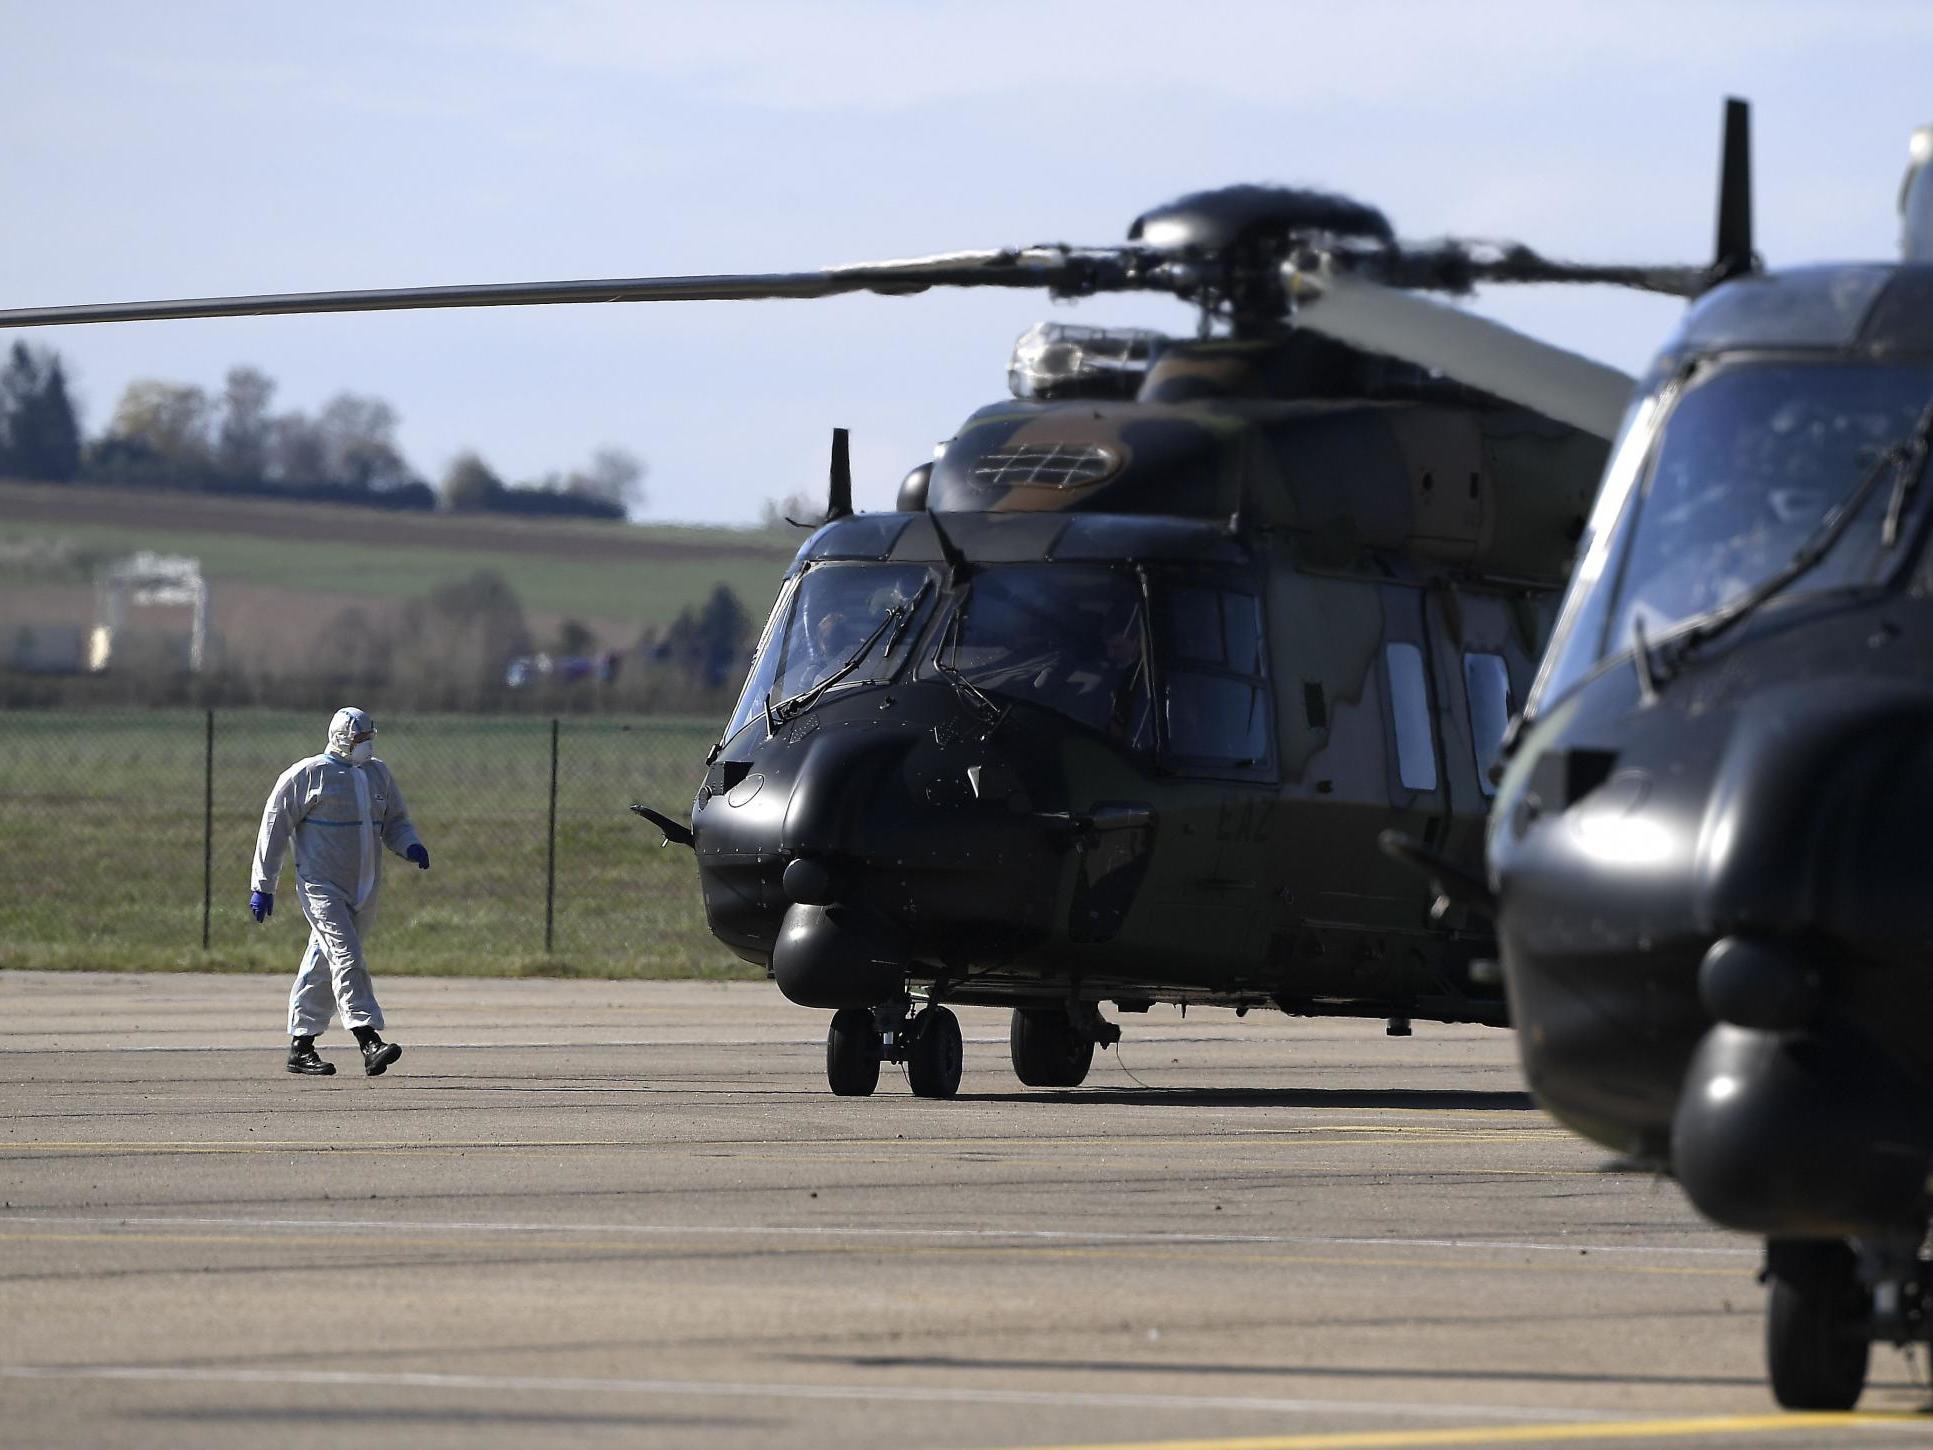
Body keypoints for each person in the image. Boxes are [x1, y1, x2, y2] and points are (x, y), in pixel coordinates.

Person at [250, 707, 430, 1077]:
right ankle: (368, 1040)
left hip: (364, 888)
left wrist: (409, 844)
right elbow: (273, 827)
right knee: (347, 956)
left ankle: (301, 1045)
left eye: (369, 739)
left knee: (324, 959)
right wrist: (263, 885)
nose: (366, 746)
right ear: (342, 739)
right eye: (359, 739)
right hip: (321, 886)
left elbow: (394, 822)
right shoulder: (307, 775)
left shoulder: (378, 775)